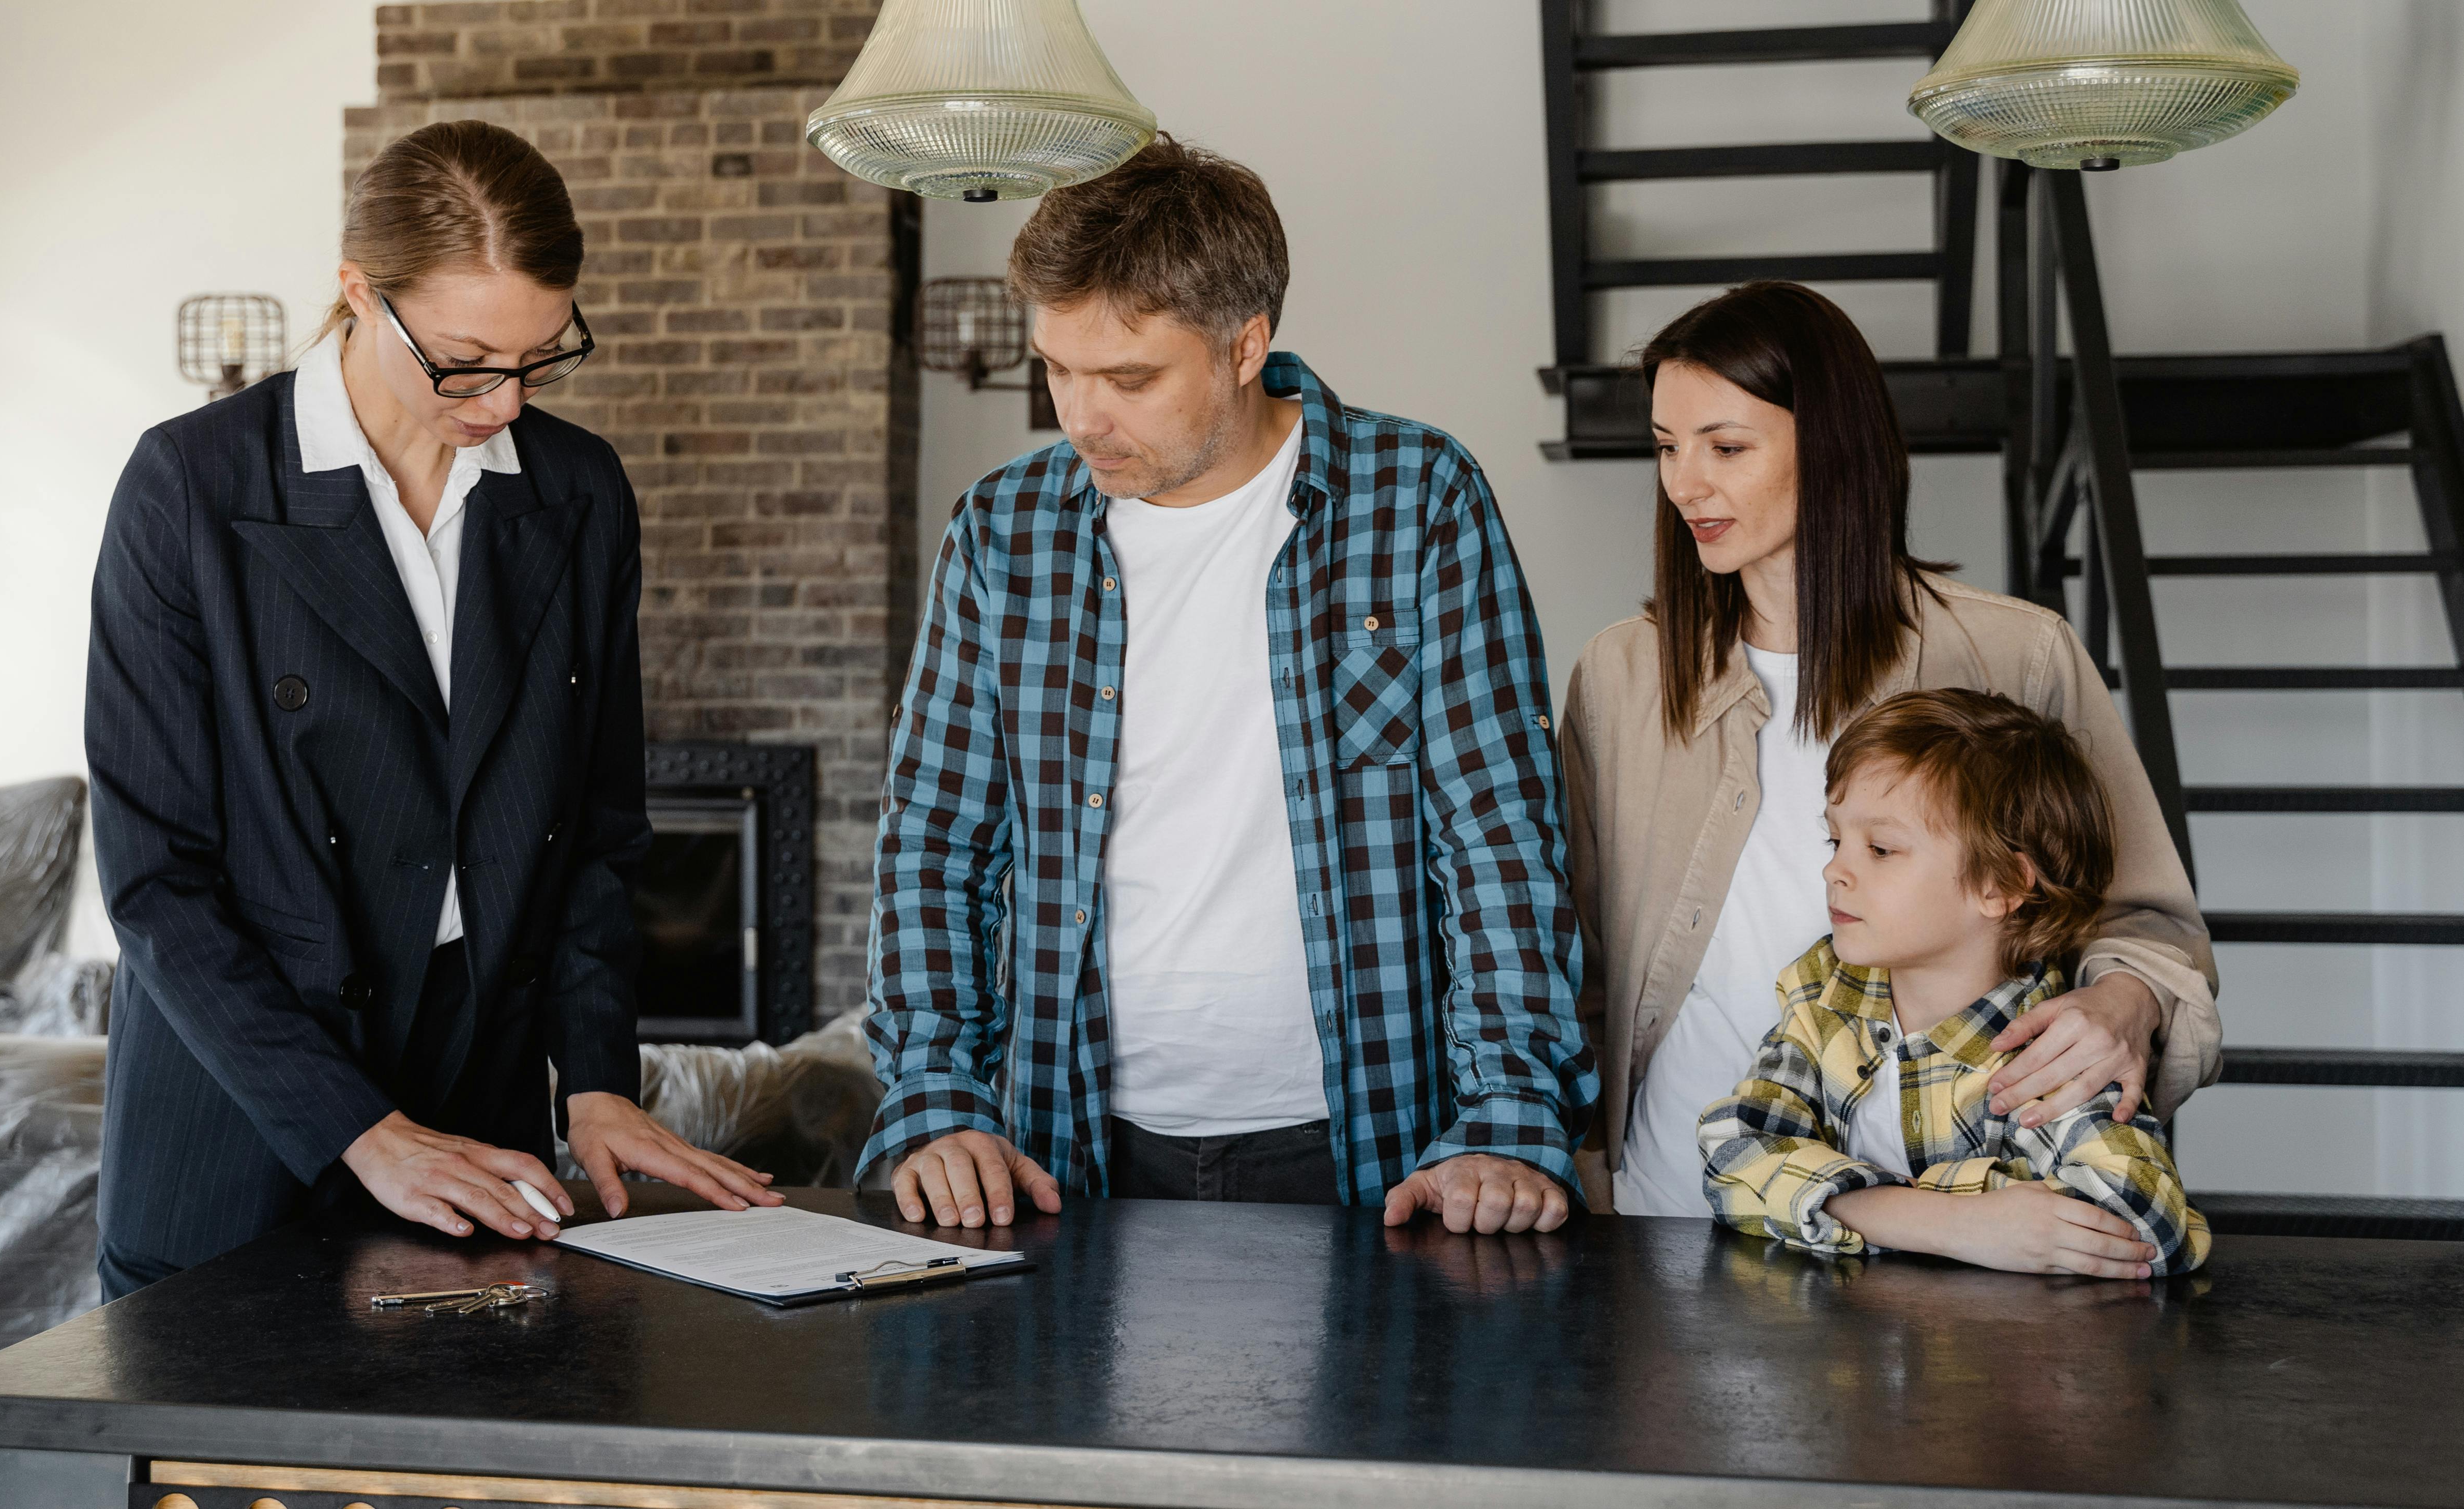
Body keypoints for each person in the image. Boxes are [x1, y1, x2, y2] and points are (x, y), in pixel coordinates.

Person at [84, 119, 778, 1300]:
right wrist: (360, 1127)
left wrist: (596, 1078)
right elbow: (157, 882)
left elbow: (595, 832)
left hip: (479, 1081)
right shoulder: (188, 489)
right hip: (238, 1108)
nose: (504, 401)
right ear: (357, 291)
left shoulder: (578, 493)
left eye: (539, 358)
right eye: (464, 360)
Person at [865, 137, 1594, 1235]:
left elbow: (1496, 832)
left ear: (1244, 344)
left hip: (1371, 1143)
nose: (1079, 416)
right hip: (1064, 1145)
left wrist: (1506, 1112)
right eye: (1055, 368)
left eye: (1128, 378)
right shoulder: (1000, 533)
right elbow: (934, 838)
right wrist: (931, 1094)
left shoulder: (1417, 501)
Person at [1563, 280, 2219, 1217]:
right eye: (1667, 447)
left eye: (1727, 447)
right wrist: (1582, 1161)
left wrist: (2126, 1007)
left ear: (1830, 446)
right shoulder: (1620, 675)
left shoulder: (2016, 656)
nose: (1684, 485)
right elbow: (1576, 960)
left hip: (1958, 1222)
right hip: (1672, 1206)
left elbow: (2150, 929)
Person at [1700, 688, 2211, 1276]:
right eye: (1835, 840)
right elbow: (1732, 1152)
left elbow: (2150, 1226)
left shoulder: (2048, 1054)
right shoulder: (1822, 995)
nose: (1833, 870)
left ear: (2000, 887)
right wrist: (1955, 1220)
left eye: (1881, 849)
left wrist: (1837, 1200)